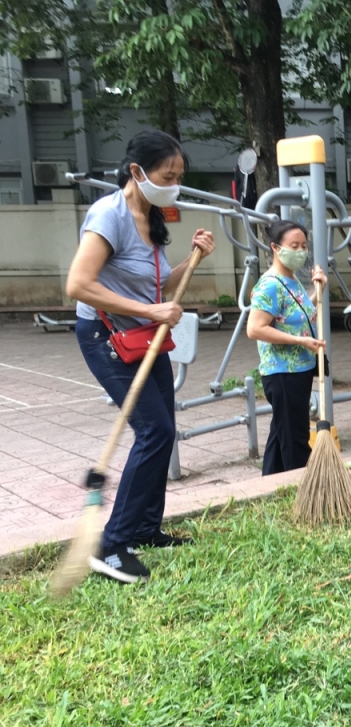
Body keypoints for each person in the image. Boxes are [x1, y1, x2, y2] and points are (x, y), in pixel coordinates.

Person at [66, 129, 216, 584]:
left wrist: (192, 260)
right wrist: (152, 310)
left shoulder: (151, 216)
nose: (173, 184)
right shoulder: (107, 214)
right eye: (167, 175)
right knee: (154, 429)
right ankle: (111, 545)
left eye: (178, 176)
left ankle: (145, 528)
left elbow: (158, 287)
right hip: (105, 335)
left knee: (164, 429)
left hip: (144, 336)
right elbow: (78, 285)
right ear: (137, 171)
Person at [246, 220, 327, 476]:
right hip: (282, 373)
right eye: (294, 245)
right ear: (276, 248)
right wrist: (301, 341)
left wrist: (318, 291)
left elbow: (296, 315)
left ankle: (268, 483)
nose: (301, 251)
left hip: (300, 369)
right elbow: (255, 328)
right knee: (295, 438)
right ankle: (300, 486)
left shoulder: (292, 281)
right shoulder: (270, 284)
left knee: (281, 431)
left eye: (304, 245)